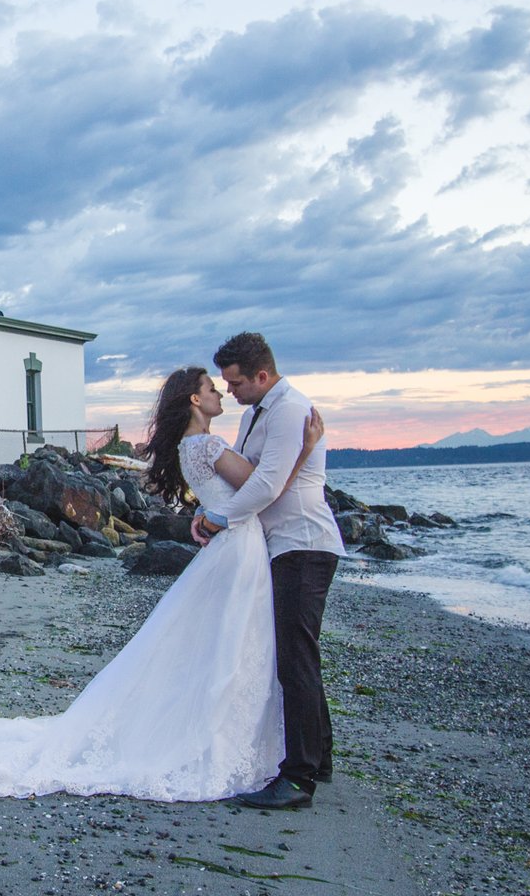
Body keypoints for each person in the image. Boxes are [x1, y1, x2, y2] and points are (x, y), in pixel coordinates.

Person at [0, 366, 322, 802]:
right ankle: (242, 739)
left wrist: (209, 515)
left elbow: (240, 493)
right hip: (239, 549)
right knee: (232, 643)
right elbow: (267, 486)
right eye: (212, 387)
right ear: (195, 398)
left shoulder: (190, 447)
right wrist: (305, 449)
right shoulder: (207, 445)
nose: (220, 393)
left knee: (221, 643)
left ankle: (266, 742)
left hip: (232, 546)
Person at [192, 332, 345, 810]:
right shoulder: (259, 411)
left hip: (303, 542)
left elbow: (268, 484)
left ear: (261, 375)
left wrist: (218, 517)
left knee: (294, 658)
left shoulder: (289, 410)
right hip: (280, 546)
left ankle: (299, 779)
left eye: (236, 383)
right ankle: (318, 758)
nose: (230, 391)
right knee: (295, 653)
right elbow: (249, 475)